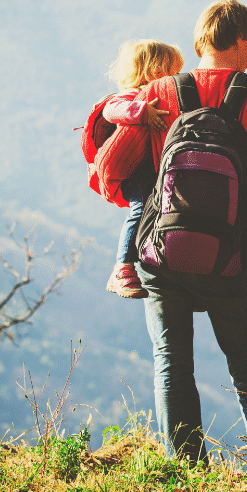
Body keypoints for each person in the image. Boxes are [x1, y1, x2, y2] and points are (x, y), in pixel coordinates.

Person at [132, 0, 247, 480]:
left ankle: (186, 474)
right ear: (238, 40)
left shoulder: (159, 93)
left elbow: (126, 173)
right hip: (228, 259)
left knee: (172, 364)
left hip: (163, 257)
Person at [87, 39, 183, 298]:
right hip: (135, 170)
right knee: (139, 210)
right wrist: (142, 112)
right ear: (154, 71)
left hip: (152, 167)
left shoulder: (160, 96)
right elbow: (111, 110)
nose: (175, 79)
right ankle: (122, 268)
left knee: (154, 211)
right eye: (172, 72)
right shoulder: (133, 95)